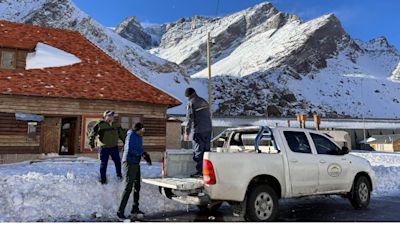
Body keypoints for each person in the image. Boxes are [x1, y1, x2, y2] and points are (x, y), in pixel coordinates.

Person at [117, 122, 152, 220]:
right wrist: (141, 154)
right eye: (143, 130)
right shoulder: (131, 135)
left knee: (137, 186)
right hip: (129, 162)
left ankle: (135, 208)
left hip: (136, 163)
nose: (143, 132)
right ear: (138, 129)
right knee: (128, 187)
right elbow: (129, 149)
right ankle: (120, 212)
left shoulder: (139, 137)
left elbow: (139, 149)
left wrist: (144, 154)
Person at [89, 110, 126, 184]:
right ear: (105, 117)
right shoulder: (100, 125)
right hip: (103, 147)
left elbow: (122, 135)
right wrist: (92, 144)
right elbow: (92, 135)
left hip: (114, 147)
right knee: (104, 163)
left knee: (117, 162)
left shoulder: (116, 125)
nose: (110, 117)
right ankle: (103, 179)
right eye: (109, 116)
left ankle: (119, 176)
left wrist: (126, 143)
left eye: (112, 116)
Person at [184, 88, 212, 178]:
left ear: (188, 95)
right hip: (208, 129)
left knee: (198, 151)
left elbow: (189, 119)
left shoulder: (191, 103)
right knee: (206, 151)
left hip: (199, 130)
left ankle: (200, 172)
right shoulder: (204, 101)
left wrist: (187, 132)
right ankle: (207, 172)